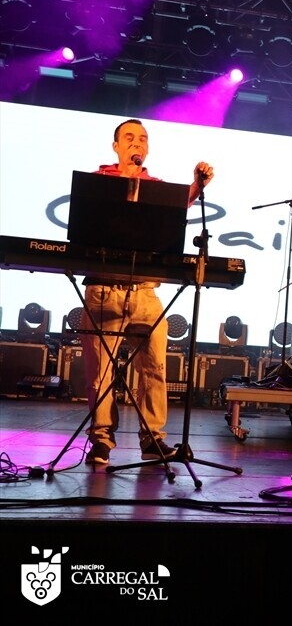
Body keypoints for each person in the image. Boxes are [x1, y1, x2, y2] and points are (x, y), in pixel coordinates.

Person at [83, 118, 214, 465]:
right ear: (116, 146)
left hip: (145, 291)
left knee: (154, 367)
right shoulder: (99, 181)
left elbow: (178, 205)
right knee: (101, 373)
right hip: (103, 290)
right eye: (129, 137)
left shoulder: (156, 187)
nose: (136, 142)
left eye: (142, 138)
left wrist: (196, 186)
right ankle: (101, 439)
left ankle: (152, 439)